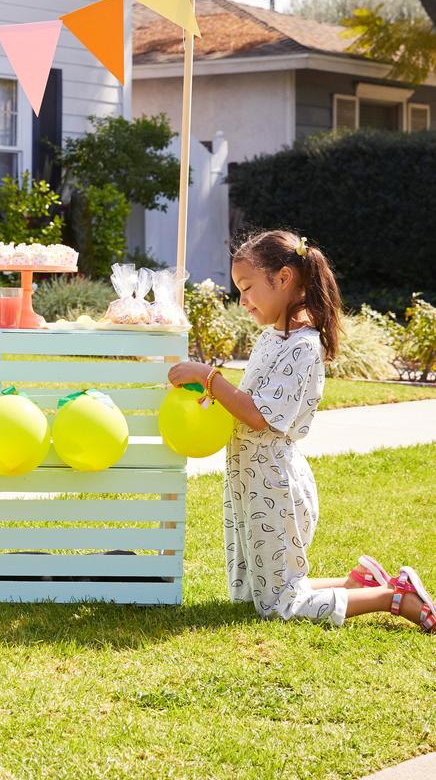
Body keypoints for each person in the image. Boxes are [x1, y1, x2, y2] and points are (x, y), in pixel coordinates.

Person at [167, 229, 433, 633]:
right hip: (248, 479)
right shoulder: (273, 338)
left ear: (285, 278)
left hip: (273, 486)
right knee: (254, 595)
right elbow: (245, 398)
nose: (242, 301)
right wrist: (210, 396)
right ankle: (355, 584)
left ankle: (395, 596)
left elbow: (260, 415)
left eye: (248, 287)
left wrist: (209, 378)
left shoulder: (304, 347)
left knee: (279, 607)